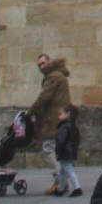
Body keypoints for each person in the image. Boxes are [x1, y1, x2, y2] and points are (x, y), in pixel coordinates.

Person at [29, 53, 72, 193]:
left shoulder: (53, 77)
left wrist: (30, 112)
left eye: (43, 63)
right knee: (54, 150)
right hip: (58, 118)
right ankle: (61, 181)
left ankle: (60, 180)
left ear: (49, 62)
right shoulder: (58, 75)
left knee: (48, 149)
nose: (41, 67)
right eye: (39, 65)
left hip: (53, 119)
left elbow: (44, 97)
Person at [54, 104, 82, 198]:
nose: (58, 116)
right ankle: (60, 189)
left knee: (69, 170)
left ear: (68, 114)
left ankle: (77, 188)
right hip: (70, 151)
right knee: (63, 171)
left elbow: (60, 140)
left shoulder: (64, 126)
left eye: (60, 114)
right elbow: (78, 139)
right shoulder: (73, 126)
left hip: (65, 152)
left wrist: (58, 150)